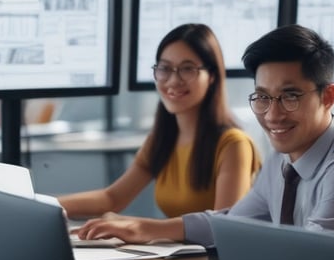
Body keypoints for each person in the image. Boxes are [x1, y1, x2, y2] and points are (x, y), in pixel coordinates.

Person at [86, 24, 334, 260]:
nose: (272, 115)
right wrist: (146, 231)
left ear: (328, 96)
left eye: (290, 96)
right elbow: (231, 223)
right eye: (262, 97)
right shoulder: (284, 156)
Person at [60, 23, 260, 219]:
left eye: (187, 69)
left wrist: (140, 228)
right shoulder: (162, 139)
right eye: (165, 68)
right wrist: (43, 204)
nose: (173, 80)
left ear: (212, 76)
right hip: (178, 252)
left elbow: (222, 226)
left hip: (212, 253)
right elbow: (112, 198)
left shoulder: (233, 144)